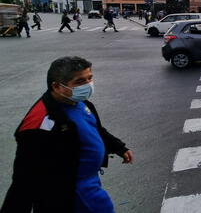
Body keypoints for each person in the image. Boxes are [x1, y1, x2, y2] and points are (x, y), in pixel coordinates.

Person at [1, 56, 133, 212]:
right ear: (56, 86)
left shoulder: (80, 102)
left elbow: (96, 129)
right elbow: (24, 179)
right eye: (79, 82)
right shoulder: (39, 124)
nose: (88, 85)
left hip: (91, 183)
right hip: (72, 195)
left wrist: (119, 148)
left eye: (89, 78)